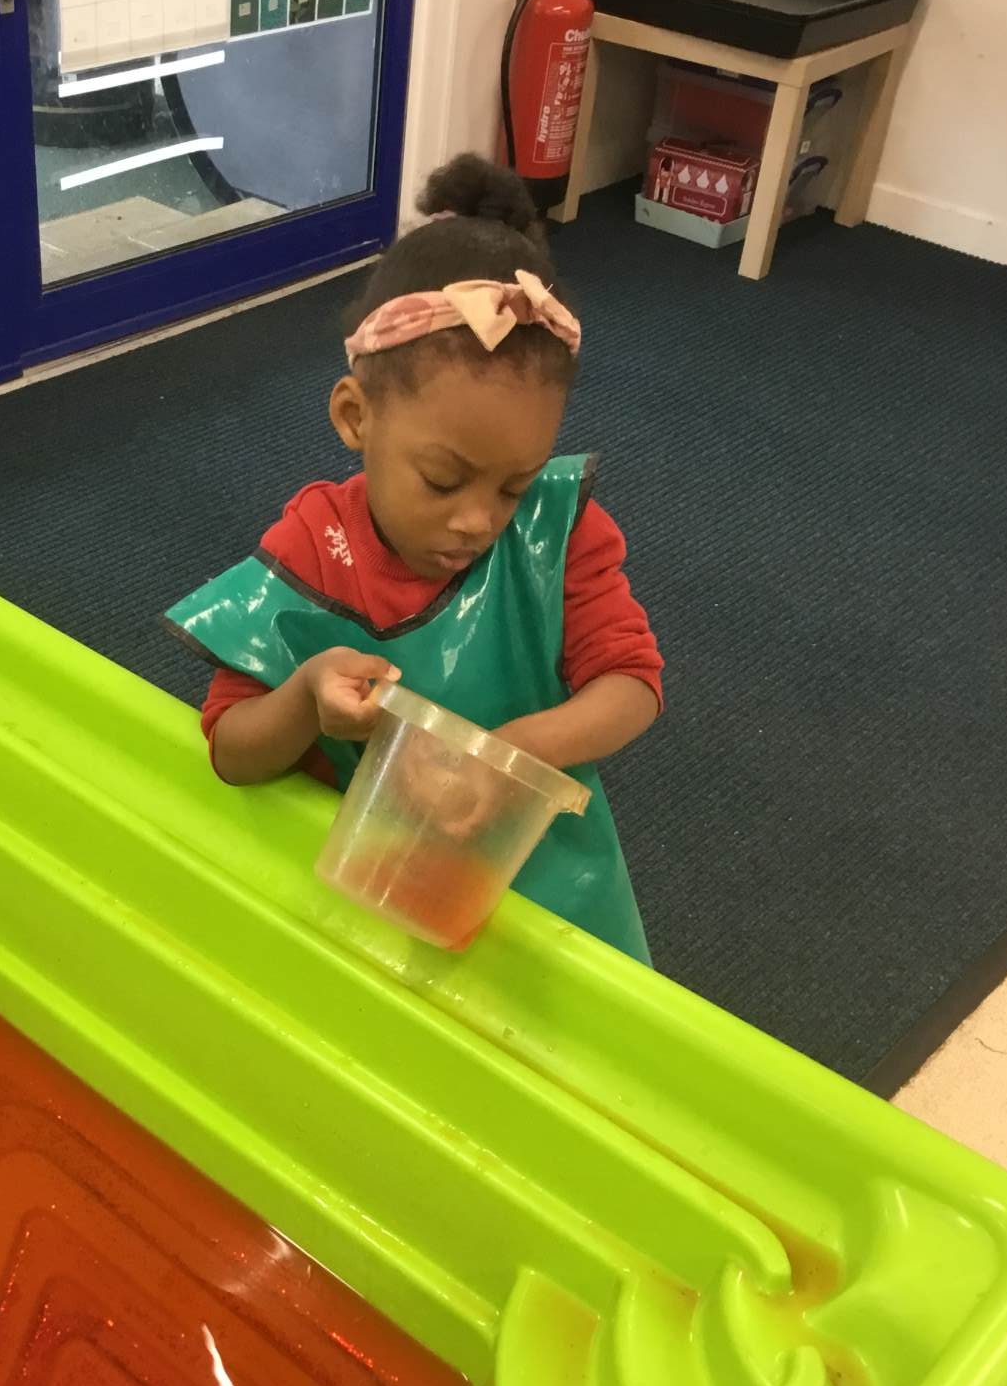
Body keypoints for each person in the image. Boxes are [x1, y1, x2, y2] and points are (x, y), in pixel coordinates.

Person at [166, 155, 663, 961]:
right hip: (360, 885)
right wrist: (307, 695)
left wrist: (512, 757)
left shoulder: (558, 530)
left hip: (531, 889)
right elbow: (231, 750)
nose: (478, 521)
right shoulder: (312, 548)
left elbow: (632, 685)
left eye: (514, 486)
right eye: (442, 479)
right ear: (355, 417)